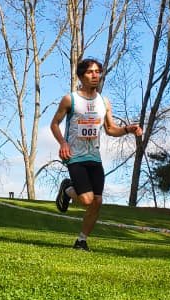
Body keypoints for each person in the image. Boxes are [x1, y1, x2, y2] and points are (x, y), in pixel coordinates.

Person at [50, 57, 143, 251]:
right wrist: (63, 142)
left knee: (97, 201)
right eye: (90, 72)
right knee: (86, 200)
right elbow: (54, 124)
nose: (95, 75)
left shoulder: (104, 101)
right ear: (81, 76)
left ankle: (81, 241)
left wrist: (128, 129)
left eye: (98, 72)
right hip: (75, 156)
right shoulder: (70, 99)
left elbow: (110, 129)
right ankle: (67, 189)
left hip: (94, 156)